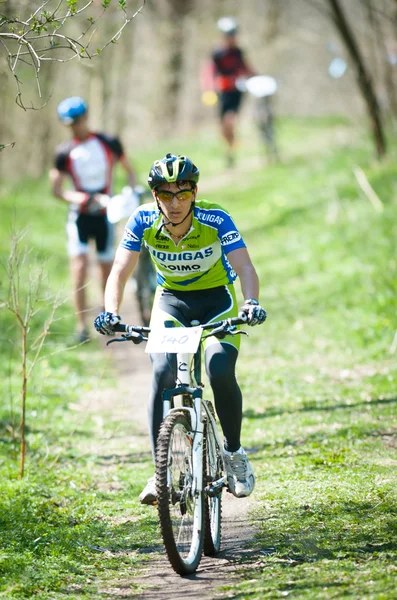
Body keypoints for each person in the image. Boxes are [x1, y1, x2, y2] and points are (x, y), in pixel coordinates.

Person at [94, 153, 266, 505]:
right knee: (161, 371)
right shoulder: (142, 220)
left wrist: (250, 302)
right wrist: (110, 311)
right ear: (154, 195)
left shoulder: (215, 218)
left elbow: (245, 266)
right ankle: (159, 471)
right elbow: (119, 272)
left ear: (194, 192)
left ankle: (234, 454)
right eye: (166, 195)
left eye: (183, 194)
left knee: (218, 370)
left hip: (217, 301)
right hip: (171, 302)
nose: (175, 203)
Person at [50, 96, 136, 343]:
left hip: (106, 215)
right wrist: (79, 198)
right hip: (79, 216)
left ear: (86, 117)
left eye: (77, 121)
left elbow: (129, 171)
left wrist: (130, 193)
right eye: (69, 124)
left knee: (106, 269)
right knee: (78, 269)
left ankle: (109, 315)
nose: (74, 126)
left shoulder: (108, 142)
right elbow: (57, 189)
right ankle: (81, 326)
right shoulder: (64, 152)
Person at [202, 17, 255, 167]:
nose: (231, 37)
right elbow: (209, 72)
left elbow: (246, 68)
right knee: (223, 126)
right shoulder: (217, 53)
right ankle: (229, 148)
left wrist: (256, 76)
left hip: (236, 92)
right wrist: (209, 89)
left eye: (233, 34)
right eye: (228, 34)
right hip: (221, 93)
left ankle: (232, 149)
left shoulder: (238, 52)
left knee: (230, 120)